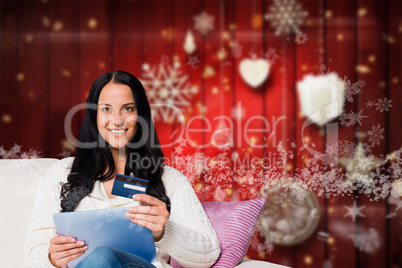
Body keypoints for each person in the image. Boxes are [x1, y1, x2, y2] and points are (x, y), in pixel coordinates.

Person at [24, 71, 221, 268]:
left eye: (127, 109)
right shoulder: (60, 174)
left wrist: (164, 232)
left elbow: (208, 254)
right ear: (93, 115)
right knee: (98, 258)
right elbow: (32, 254)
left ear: (141, 116)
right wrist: (51, 259)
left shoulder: (169, 180)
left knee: (103, 256)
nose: (117, 120)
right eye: (107, 109)